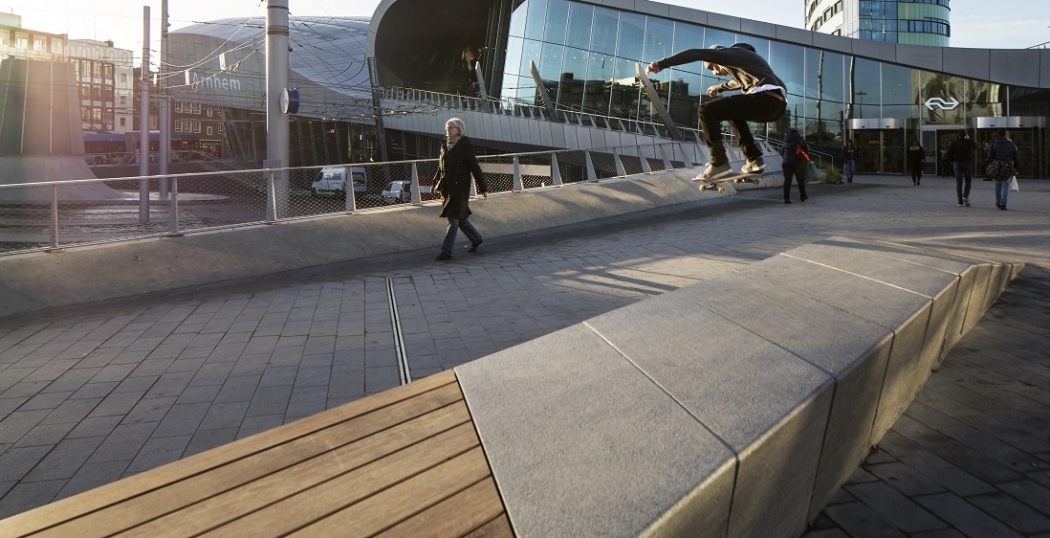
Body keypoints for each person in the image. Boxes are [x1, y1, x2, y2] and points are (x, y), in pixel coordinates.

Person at [646, 43, 787, 180]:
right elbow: (737, 82)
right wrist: (719, 87)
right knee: (731, 112)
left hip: (763, 98)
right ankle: (754, 159)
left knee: (705, 110)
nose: (715, 72)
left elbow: (695, 53)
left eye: (713, 67)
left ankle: (718, 162)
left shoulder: (728, 53)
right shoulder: (750, 60)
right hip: (776, 106)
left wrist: (662, 63)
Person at [433, 117, 489, 260]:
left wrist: (483, 188)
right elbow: (441, 166)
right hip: (447, 187)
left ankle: (446, 252)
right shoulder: (445, 144)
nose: (448, 130)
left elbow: (474, 166)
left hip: (460, 187)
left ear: (459, 129)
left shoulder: (465, 144)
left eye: (451, 127)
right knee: (459, 218)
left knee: (453, 219)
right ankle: (476, 239)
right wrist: (435, 182)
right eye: (447, 127)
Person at [985, 128, 1020, 211]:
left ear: (998, 134)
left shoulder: (994, 143)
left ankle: (998, 201)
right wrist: (1017, 168)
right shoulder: (1011, 144)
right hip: (1007, 166)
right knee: (1005, 184)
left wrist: (988, 165)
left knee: (998, 184)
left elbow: (989, 156)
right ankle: (1003, 204)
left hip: (997, 166)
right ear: (1006, 133)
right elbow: (1016, 157)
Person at [948, 129, 976, 207]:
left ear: (958, 135)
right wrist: (968, 138)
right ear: (965, 134)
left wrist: (952, 160)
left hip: (957, 163)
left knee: (959, 182)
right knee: (968, 181)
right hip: (967, 162)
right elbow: (976, 146)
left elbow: (948, 152)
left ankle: (959, 201)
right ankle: (965, 196)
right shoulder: (968, 142)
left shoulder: (954, 143)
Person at [781, 129, 809, 204]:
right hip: (797, 162)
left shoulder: (785, 140)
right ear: (797, 133)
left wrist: (786, 159)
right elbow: (805, 148)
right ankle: (802, 196)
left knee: (787, 181)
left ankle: (786, 198)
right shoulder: (799, 139)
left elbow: (782, 152)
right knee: (800, 180)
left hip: (786, 162)